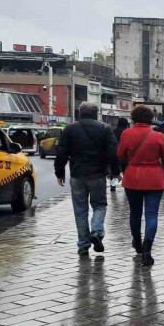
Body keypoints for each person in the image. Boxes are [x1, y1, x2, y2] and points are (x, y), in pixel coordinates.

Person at [55, 102, 120, 257]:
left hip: (77, 174)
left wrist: (59, 172)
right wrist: (115, 172)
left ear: (80, 113)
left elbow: (61, 152)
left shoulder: (69, 129)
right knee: (100, 206)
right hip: (97, 174)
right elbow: (112, 153)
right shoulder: (105, 129)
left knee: (80, 211)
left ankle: (83, 245)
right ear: (96, 113)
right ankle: (97, 232)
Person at [118, 106, 164, 266]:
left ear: (133, 118)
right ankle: (147, 252)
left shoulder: (126, 134)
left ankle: (137, 242)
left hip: (132, 178)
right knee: (152, 215)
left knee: (135, 213)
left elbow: (120, 154)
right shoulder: (158, 136)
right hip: (154, 179)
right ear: (150, 118)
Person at [110, 118, 130, 192]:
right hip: (125, 155)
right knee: (126, 171)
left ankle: (113, 186)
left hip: (114, 154)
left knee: (114, 172)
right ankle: (126, 187)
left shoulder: (112, 131)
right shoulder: (127, 132)